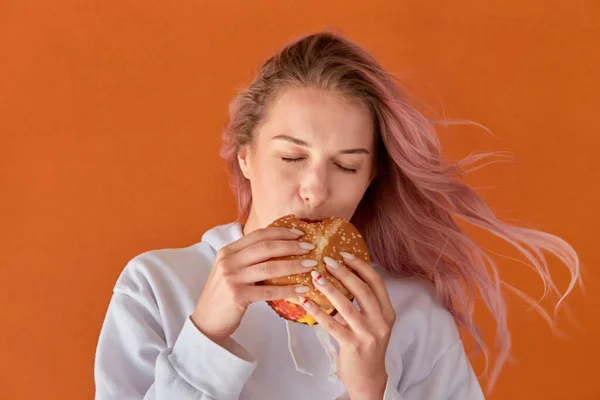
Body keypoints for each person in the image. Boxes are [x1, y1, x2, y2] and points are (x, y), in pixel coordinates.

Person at [94, 31, 581, 400]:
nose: (315, 189)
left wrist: (372, 386)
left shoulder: (411, 312)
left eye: (346, 165)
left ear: (370, 178)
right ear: (245, 155)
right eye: (291, 157)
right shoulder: (155, 286)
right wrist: (205, 337)